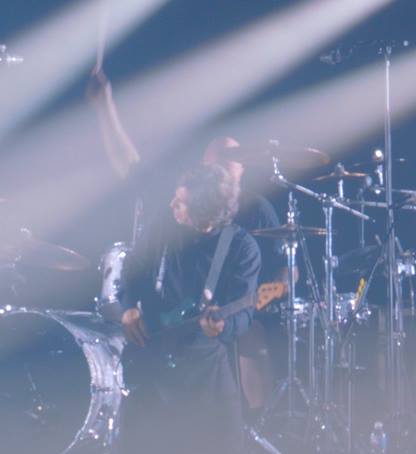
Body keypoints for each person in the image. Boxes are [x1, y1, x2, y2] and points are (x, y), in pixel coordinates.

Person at [88, 68, 282, 408]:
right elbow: (131, 169)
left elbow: (276, 273)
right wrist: (105, 109)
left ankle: (256, 420)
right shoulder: (173, 214)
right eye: (215, 164)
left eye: (231, 163)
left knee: (252, 335)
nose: (222, 170)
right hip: (166, 330)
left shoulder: (253, 218)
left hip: (229, 317)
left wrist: (252, 305)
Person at [110, 164, 264, 454]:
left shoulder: (241, 247)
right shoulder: (163, 231)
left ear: (204, 213)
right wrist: (128, 309)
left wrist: (221, 328)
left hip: (205, 367)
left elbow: (244, 312)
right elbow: (133, 268)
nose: (171, 207)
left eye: (180, 204)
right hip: (151, 361)